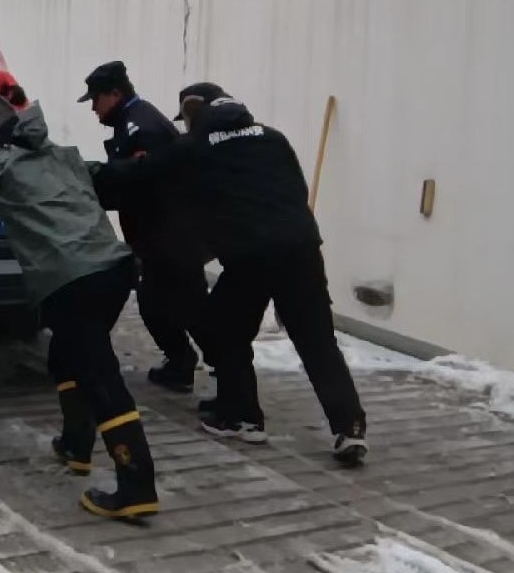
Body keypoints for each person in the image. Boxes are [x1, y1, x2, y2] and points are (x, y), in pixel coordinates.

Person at [91, 82, 369, 465]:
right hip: (301, 249)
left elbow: (142, 172)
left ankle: (241, 417)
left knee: (224, 331)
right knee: (318, 341)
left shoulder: (196, 147)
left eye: (186, 119)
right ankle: (349, 426)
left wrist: (86, 175)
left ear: (195, 111)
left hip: (250, 255)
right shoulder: (273, 138)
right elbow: (290, 189)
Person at [0, 102, 158, 519]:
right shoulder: (67, 159)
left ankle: (136, 483)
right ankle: (75, 445)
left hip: (70, 277)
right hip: (114, 269)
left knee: (99, 372)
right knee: (68, 355)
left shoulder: (3, 164)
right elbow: (111, 175)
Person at [78, 61, 212, 392]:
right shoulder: (133, 121)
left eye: (97, 99)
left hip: (170, 235)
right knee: (170, 304)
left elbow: (145, 181)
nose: (94, 108)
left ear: (115, 93)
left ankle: (206, 364)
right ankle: (191, 363)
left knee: (173, 305)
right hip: (161, 234)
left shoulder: (143, 127)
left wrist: (99, 184)